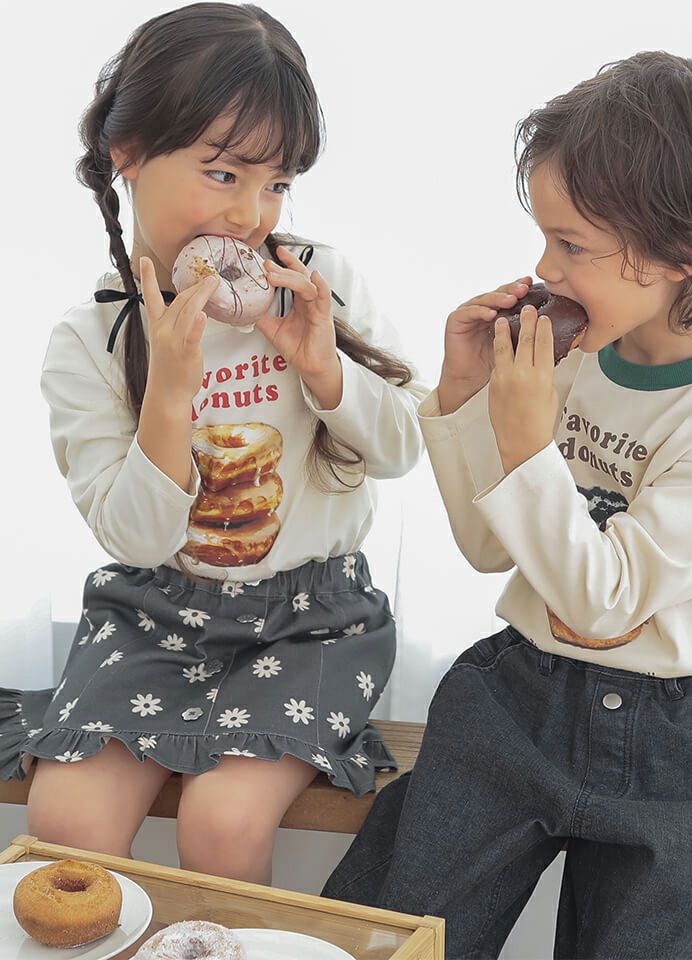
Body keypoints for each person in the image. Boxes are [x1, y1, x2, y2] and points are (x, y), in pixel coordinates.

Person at [322, 51, 692, 959]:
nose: (545, 268)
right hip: (523, 695)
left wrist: (530, 443)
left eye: (572, 245)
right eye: (544, 238)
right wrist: (465, 399)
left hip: (689, 737)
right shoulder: (575, 359)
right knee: (391, 936)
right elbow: (491, 548)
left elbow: (602, 600)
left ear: (682, 253)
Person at [0, 2, 426, 884]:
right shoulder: (89, 339)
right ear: (127, 154)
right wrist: (169, 389)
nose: (249, 214)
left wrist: (323, 369)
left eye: (276, 184)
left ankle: (222, 943)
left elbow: (400, 450)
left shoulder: (315, 282)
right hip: (154, 614)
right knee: (65, 815)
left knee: (223, 826)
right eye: (223, 173)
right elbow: (135, 538)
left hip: (310, 622)